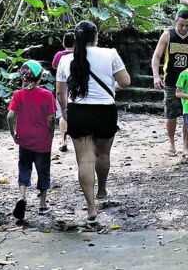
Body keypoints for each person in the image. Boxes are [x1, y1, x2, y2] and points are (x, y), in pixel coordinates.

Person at [56, 21, 131, 224]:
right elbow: (125, 81)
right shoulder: (110, 54)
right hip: (105, 110)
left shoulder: (65, 60)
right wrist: (112, 86)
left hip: (78, 111)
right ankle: (102, 190)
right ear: (96, 36)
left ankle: (91, 208)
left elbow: (60, 92)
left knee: (85, 160)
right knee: (103, 154)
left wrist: (65, 111)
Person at [7, 60, 56, 220]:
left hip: (24, 140)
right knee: (43, 171)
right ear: (40, 78)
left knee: (24, 168)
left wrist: (12, 133)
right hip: (42, 140)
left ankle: (22, 196)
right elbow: (51, 119)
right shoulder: (47, 95)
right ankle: (42, 205)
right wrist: (51, 133)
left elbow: (10, 115)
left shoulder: (18, 95)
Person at [151, 10, 188, 156]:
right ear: (175, 22)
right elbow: (156, 57)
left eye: (187, 25)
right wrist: (156, 76)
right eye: (181, 25)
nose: (184, 28)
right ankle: (172, 143)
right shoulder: (167, 35)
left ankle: (185, 147)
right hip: (171, 82)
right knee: (171, 115)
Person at [51, 31, 75, 152]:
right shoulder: (80, 54)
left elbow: (54, 66)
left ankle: (63, 140)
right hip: (76, 88)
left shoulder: (60, 55)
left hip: (63, 87)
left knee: (62, 114)